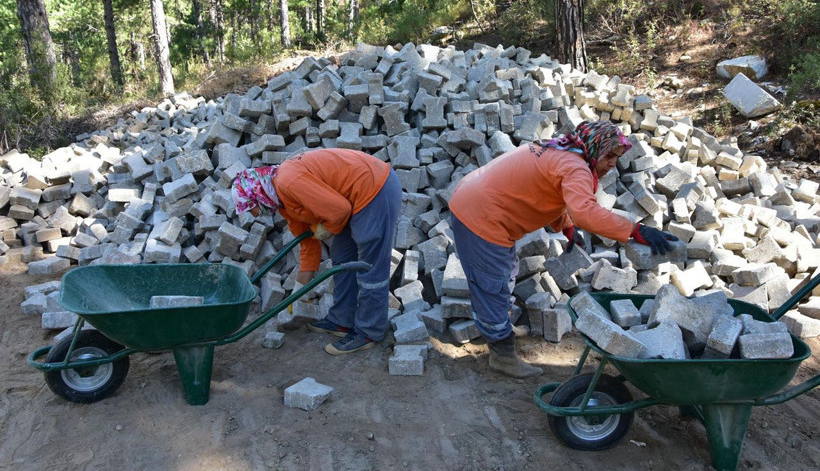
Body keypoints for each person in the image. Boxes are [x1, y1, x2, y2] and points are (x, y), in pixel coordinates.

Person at [448, 120, 678, 378]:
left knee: (505, 273)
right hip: (481, 216)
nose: (613, 163)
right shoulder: (575, 167)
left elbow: (543, 192)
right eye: (609, 155)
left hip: (481, 203)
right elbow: (586, 213)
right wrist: (636, 231)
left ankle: (500, 328)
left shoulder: (561, 150)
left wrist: (566, 227)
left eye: (617, 157)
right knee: (492, 285)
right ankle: (502, 353)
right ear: (595, 148)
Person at [232, 148, 402, 355]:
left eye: (251, 208)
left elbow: (339, 211)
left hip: (374, 189)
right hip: (352, 195)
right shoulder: (283, 202)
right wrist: (298, 292)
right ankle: (342, 321)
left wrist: (327, 228)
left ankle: (368, 331)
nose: (255, 214)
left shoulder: (288, 182)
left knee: (370, 265)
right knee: (341, 256)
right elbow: (308, 246)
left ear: (257, 193)